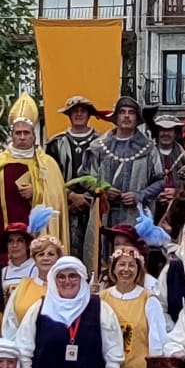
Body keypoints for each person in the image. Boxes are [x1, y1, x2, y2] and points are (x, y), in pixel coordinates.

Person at [0, 95, 69, 268]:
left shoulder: (47, 163)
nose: (22, 137)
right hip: (3, 233)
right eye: (18, 133)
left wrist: (37, 193)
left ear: (33, 135)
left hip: (36, 236)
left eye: (26, 133)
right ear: (12, 135)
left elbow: (56, 199)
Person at [100, 243, 169, 368]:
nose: (126, 270)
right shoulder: (102, 298)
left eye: (132, 265)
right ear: (113, 268)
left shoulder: (148, 298)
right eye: (121, 264)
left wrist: (153, 367)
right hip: (107, 367)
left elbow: (157, 336)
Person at [45, 95, 104, 257]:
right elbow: (49, 177)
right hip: (64, 206)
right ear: (69, 115)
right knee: (65, 249)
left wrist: (90, 196)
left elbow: (105, 175)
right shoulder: (55, 144)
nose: (79, 114)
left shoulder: (102, 143)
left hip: (94, 206)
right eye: (74, 111)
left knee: (94, 252)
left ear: (89, 114)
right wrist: (70, 195)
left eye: (82, 111)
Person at [150, 114, 185, 195]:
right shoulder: (148, 155)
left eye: (169, 130)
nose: (166, 134)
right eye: (163, 130)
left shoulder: (184, 156)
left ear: (175, 133)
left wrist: (177, 192)